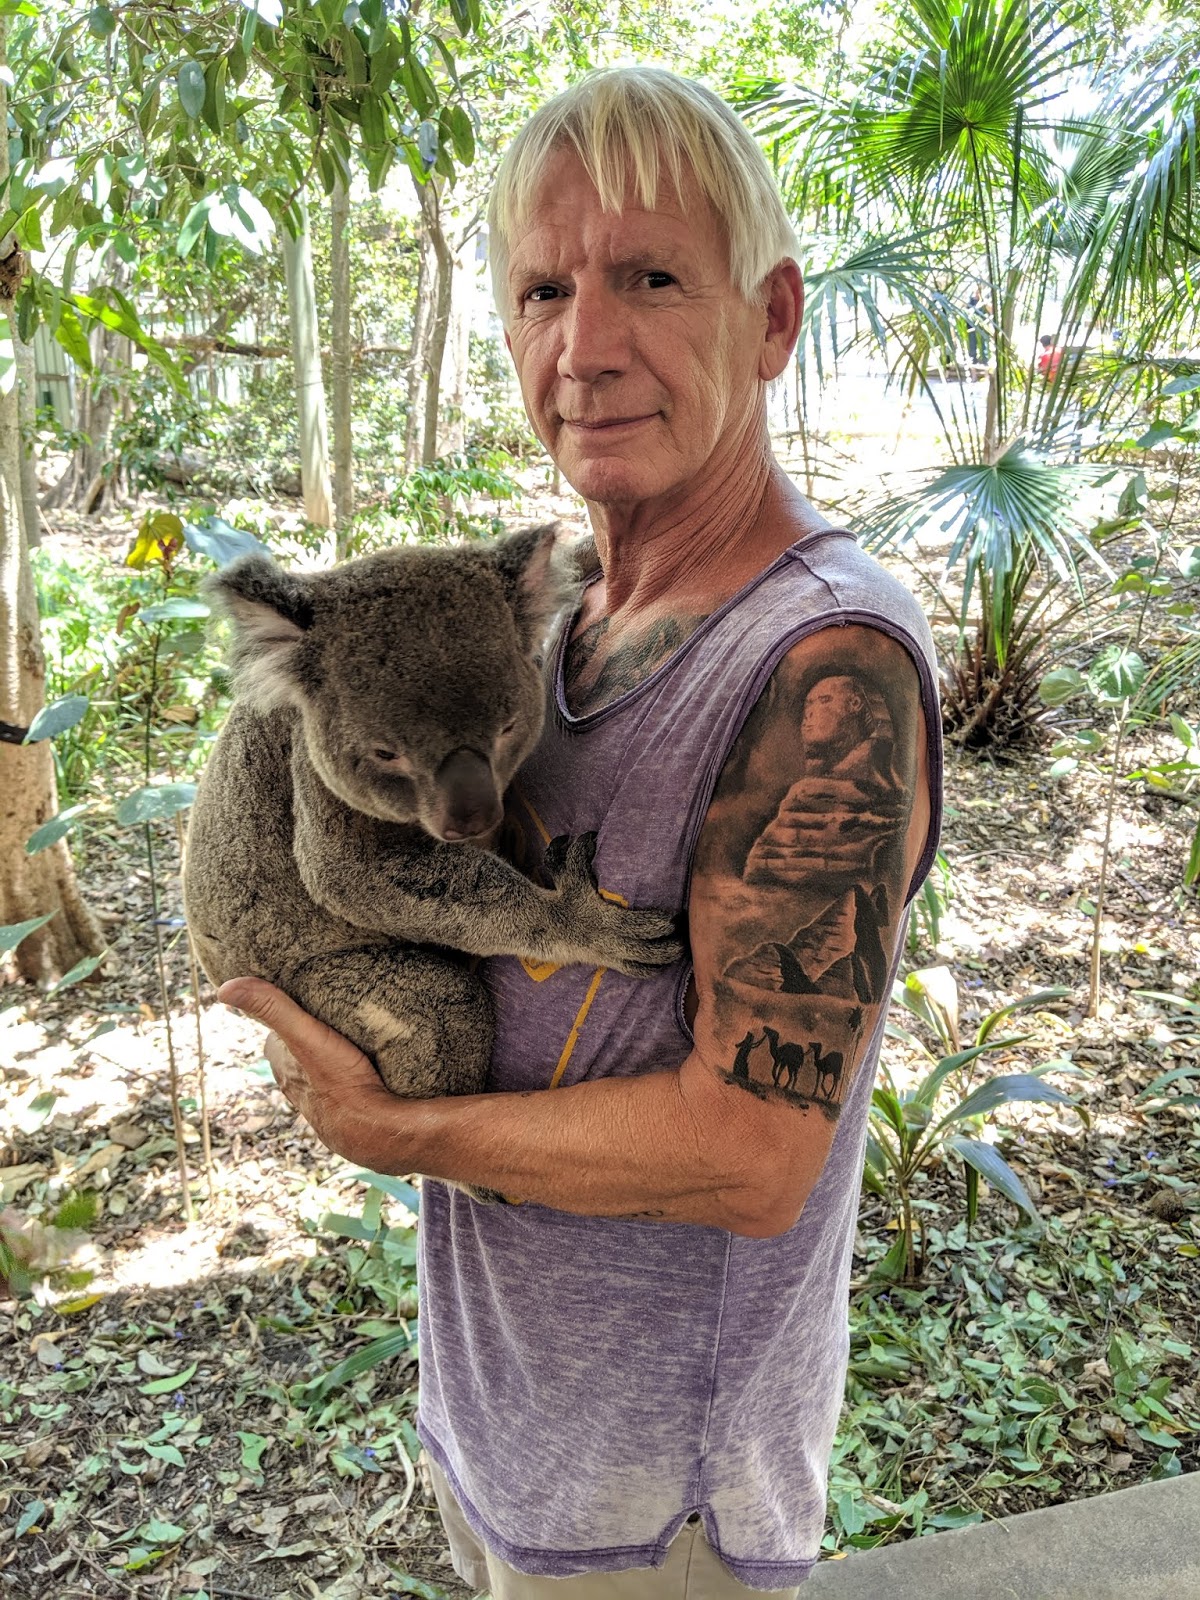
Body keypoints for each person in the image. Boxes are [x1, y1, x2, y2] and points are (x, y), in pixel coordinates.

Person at [219, 68, 943, 1596]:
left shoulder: (826, 671)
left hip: (657, 1499)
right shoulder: (545, 618)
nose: (586, 345)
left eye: (652, 279)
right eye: (544, 288)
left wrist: (398, 1133)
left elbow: (752, 1157)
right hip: (504, 1412)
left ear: (773, 318)